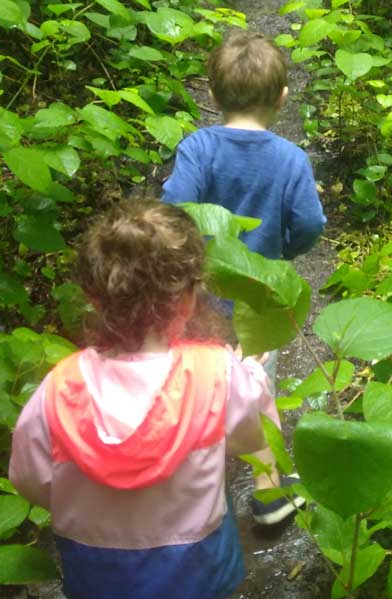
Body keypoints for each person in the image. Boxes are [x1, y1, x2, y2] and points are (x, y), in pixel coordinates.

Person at [9, 200, 281, 599]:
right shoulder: (215, 372)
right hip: (197, 568)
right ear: (189, 297)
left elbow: (30, 480)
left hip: (96, 572)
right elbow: (252, 437)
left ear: (95, 298)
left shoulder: (60, 387)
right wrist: (253, 372)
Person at [162, 31, 325, 524]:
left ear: (211, 96)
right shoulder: (290, 159)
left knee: (191, 382)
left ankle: (184, 487)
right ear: (282, 97)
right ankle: (270, 491)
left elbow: (175, 214)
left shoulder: (198, 149)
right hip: (261, 294)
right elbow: (311, 225)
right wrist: (281, 254)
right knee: (254, 389)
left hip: (201, 296)